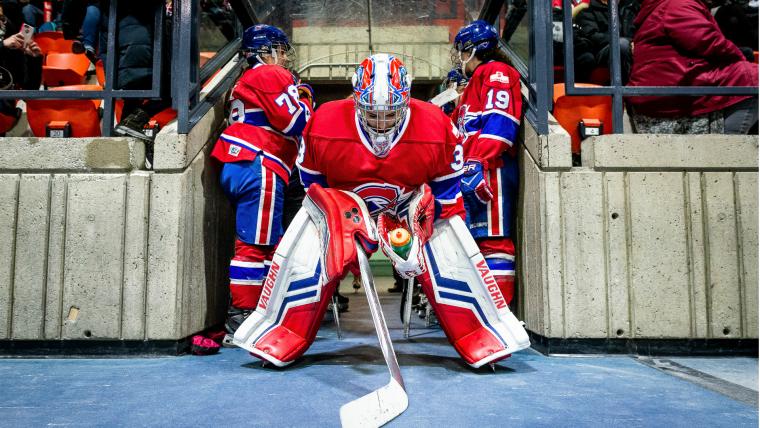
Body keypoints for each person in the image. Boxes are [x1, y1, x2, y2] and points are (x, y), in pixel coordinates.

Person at [231, 53, 529, 368]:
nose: (382, 122)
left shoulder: (435, 125)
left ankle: (484, 333)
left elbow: (446, 194)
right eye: (372, 114)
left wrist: (421, 229)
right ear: (356, 100)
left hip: (409, 205)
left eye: (391, 114)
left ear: (408, 101)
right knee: (308, 243)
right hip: (345, 205)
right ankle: (279, 330)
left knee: (448, 245)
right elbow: (314, 187)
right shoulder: (325, 122)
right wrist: (340, 223)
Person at [210, 24, 313, 334]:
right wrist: (306, 98)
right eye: (280, 51)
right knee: (254, 246)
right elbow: (295, 121)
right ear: (267, 51)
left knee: (266, 244)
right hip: (260, 162)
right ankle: (242, 317)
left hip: (243, 162)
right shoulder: (268, 74)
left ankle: (259, 310)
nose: (283, 59)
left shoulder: (245, 80)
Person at [450, 20, 522, 308]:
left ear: (474, 48)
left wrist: (478, 161)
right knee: (476, 242)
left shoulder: (496, 71)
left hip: (492, 170)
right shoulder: (474, 83)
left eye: (461, 50)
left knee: (494, 243)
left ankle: (499, 315)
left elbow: (501, 120)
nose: (458, 57)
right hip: (474, 169)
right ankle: (480, 312)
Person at [627, 0, 759, 134]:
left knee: (747, 72)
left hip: (669, 87)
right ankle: (730, 147)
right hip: (667, 95)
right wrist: (739, 57)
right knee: (751, 76)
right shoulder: (678, 4)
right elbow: (708, 41)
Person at [574, 0, 637, 84]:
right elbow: (592, 36)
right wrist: (629, 42)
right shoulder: (588, 11)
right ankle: (622, 88)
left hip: (634, 46)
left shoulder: (630, 8)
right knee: (621, 45)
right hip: (602, 52)